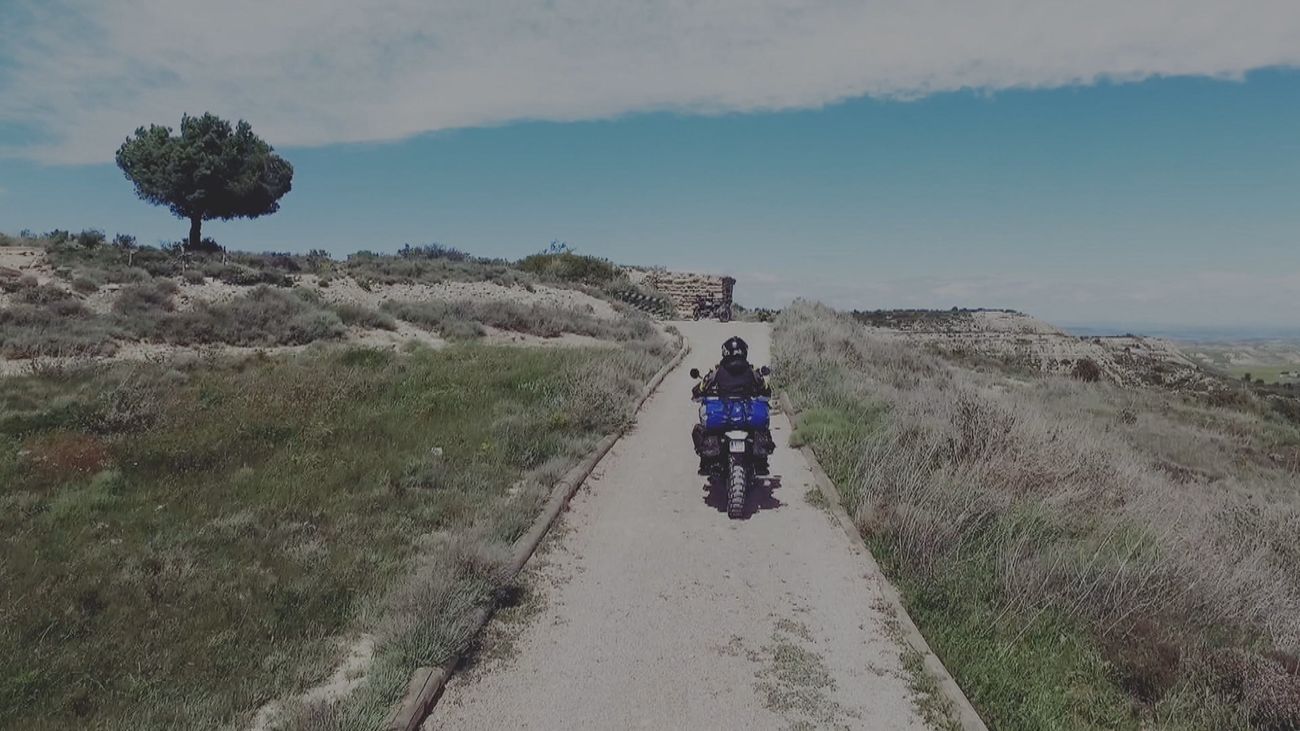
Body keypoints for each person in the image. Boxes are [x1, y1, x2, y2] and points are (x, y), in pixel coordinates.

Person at [691, 336, 776, 475]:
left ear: (725, 352)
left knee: (699, 430)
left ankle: (707, 462)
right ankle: (760, 462)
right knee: (762, 429)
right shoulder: (752, 372)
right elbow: (766, 392)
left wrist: (700, 391)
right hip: (746, 419)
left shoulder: (717, 372)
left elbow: (700, 390)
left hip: (724, 418)